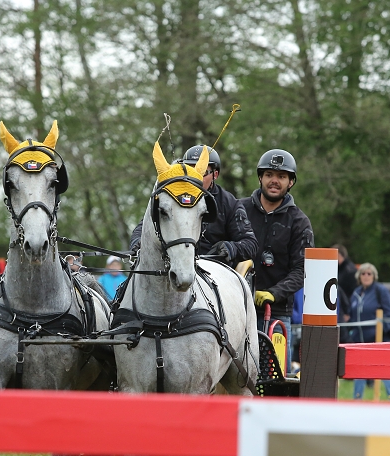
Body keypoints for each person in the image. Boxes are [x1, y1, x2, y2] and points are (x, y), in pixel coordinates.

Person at [240, 149, 313, 373]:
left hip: (276, 314)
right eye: (270, 174)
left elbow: (302, 270)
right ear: (260, 177)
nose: (275, 180)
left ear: (291, 182)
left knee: (274, 377)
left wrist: (274, 292)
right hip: (235, 310)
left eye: (281, 176)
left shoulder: (299, 222)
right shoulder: (238, 209)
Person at [129, 145, 258, 266]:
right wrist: (138, 243)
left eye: (201, 172)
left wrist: (230, 248)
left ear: (215, 174)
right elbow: (145, 226)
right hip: (176, 265)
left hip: (215, 271)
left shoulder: (230, 203)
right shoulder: (173, 197)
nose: (195, 178)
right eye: (190, 170)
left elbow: (250, 244)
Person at [348, 262, 390, 401]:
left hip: (378, 339)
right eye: (363, 273)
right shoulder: (356, 293)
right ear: (359, 276)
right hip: (359, 340)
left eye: (369, 273)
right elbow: (352, 316)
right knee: (358, 371)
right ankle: (357, 400)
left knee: (385, 369)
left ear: (374, 276)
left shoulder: (380, 291)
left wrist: (381, 331)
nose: (366, 276)